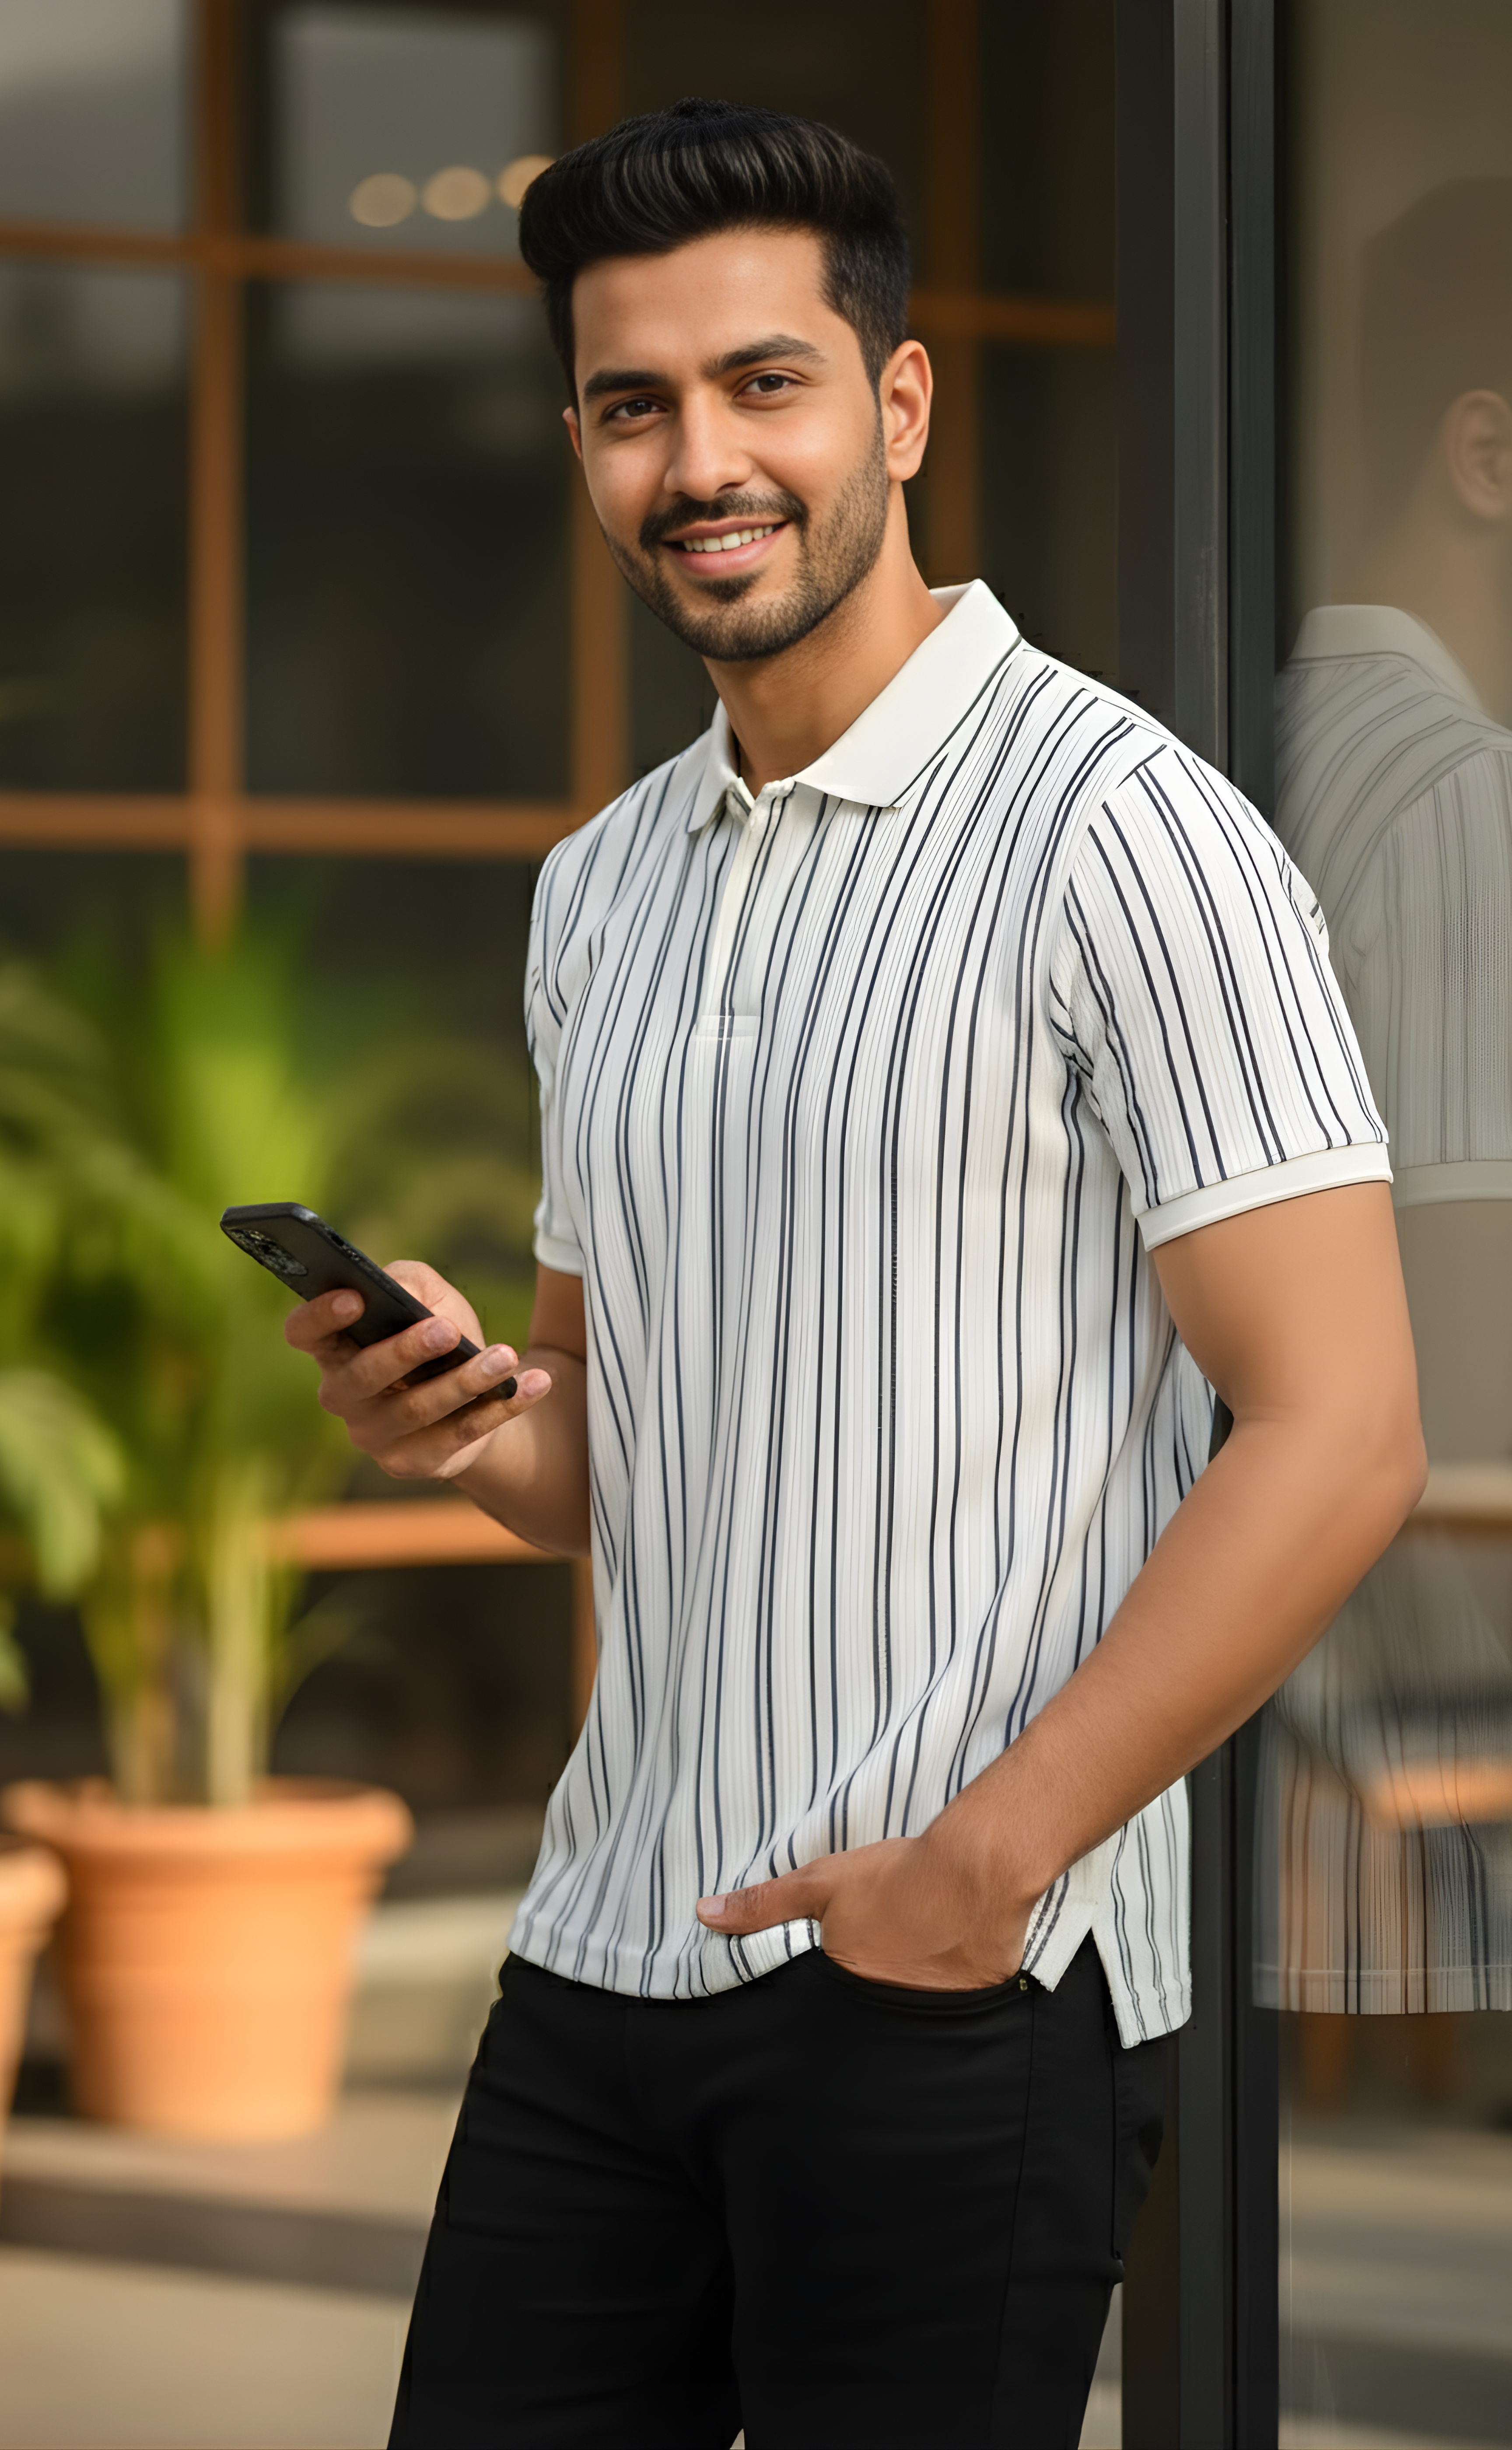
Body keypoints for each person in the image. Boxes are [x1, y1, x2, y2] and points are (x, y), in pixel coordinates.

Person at [289, 99, 1424, 2450]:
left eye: (765, 383)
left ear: (896, 407)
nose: (702, 460)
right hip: (601, 1956)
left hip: (947, 1983)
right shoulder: (597, 888)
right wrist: (471, 1419)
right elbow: (614, 1452)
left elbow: (1344, 1431)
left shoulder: (1129, 835)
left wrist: (985, 1869)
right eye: (634, 405)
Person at [1266, 182, 1512, 2033]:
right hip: (1415, 1722)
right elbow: (1468, 1327)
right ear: (1485, 453)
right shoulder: (1455, 795)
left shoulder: (1255, 736)